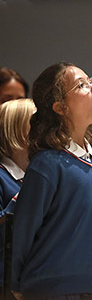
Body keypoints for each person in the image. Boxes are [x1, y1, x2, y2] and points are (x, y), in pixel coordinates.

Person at [10, 63, 92, 300]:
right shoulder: (48, 163)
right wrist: (15, 286)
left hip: (91, 294)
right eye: (81, 85)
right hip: (49, 293)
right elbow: (24, 230)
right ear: (60, 107)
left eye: (91, 81)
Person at [0, 97, 35, 286]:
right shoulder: (2, 176)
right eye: (36, 124)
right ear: (15, 130)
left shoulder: (37, 175)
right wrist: (23, 197)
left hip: (30, 281)